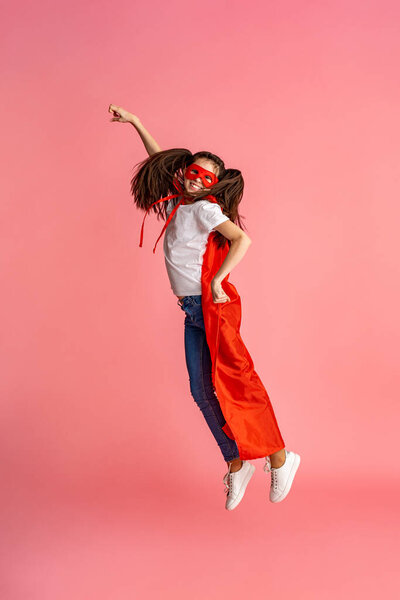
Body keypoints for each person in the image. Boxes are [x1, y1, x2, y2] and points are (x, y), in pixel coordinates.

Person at [108, 104, 301, 510]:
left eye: (205, 177)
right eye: (192, 172)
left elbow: (241, 240)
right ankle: (237, 463)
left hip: (209, 308)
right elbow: (159, 161)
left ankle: (281, 457)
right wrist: (137, 123)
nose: (196, 180)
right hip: (191, 310)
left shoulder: (206, 209)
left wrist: (215, 281)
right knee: (200, 390)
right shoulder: (181, 202)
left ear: (214, 184)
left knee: (237, 382)